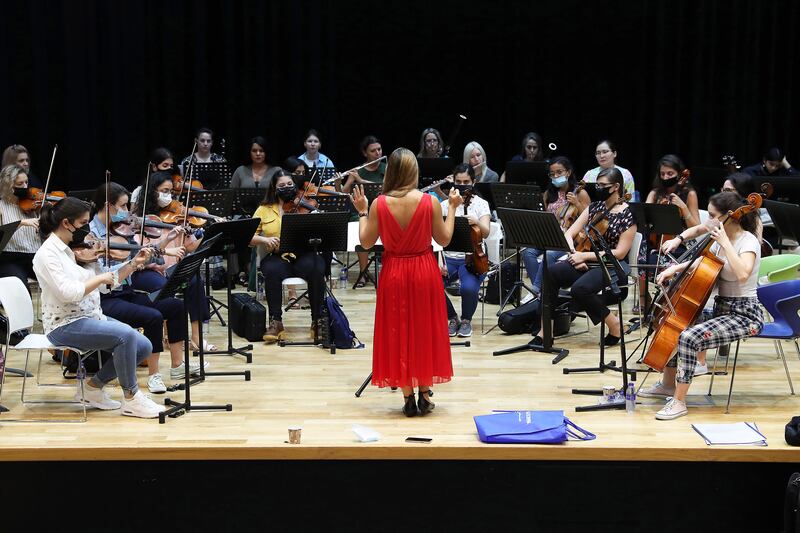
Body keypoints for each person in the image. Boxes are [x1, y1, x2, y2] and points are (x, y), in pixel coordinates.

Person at [351, 147, 462, 416]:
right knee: (424, 329)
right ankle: (425, 394)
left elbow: (365, 242)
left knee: (397, 330)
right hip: (424, 270)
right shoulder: (429, 201)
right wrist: (452, 208)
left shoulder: (379, 203)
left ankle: (408, 398)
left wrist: (363, 211)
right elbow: (444, 239)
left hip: (394, 271)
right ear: (413, 171)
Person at [32, 196, 164, 418]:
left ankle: (92, 389)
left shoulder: (75, 251)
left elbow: (106, 286)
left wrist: (133, 264)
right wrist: (100, 277)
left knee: (143, 345)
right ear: (67, 223)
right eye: (83, 224)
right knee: (125, 335)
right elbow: (69, 293)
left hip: (91, 316)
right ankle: (132, 398)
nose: (88, 232)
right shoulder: (47, 255)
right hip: (64, 325)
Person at [640, 191, 763, 420]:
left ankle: (679, 402)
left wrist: (725, 243)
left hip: (746, 315)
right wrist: (673, 269)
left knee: (689, 337)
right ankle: (668, 384)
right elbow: (704, 262)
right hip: (722, 309)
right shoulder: (718, 239)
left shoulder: (748, 241)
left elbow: (743, 273)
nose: (709, 222)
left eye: (713, 216)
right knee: (677, 321)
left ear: (729, 216)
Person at [88, 182, 203, 394]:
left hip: (126, 293)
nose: (126, 212)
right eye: (122, 207)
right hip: (104, 299)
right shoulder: (90, 234)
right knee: (153, 316)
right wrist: (132, 263)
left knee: (175, 306)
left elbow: (141, 251)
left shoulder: (119, 230)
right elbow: (103, 274)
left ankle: (177, 366)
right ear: (107, 205)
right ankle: (153, 375)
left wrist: (165, 241)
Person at [534, 167, 637, 346]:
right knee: (550, 272)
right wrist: (574, 254)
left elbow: (620, 252)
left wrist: (585, 256)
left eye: (603, 185)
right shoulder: (594, 207)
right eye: (597, 184)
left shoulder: (628, 215)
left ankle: (614, 325)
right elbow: (569, 234)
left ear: (616, 187)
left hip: (611, 266)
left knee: (579, 289)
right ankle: (546, 331)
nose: (598, 188)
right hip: (586, 259)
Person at [131, 171, 217, 353]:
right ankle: (174, 338)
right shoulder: (141, 218)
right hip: (147, 270)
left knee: (195, 282)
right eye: (164, 191)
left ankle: (197, 338)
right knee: (166, 287)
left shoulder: (177, 215)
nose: (168, 196)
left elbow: (190, 247)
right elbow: (139, 253)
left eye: (170, 192)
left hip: (171, 269)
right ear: (152, 192)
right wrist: (167, 248)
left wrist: (203, 233)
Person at [250, 169, 327, 343]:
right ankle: (276, 321)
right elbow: (248, 236)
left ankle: (317, 320)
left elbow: (320, 232)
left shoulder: (304, 204)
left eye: (290, 184)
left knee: (317, 267)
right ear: (274, 188)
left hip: (303, 254)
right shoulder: (264, 209)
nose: (287, 188)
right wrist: (265, 239)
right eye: (282, 185)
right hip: (278, 255)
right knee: (272, 271)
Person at [521, 156, 590, 296]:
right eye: (552, 174)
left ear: (568, 172)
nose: (556, 176)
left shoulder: (580, 193)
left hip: (569, 238)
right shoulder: (548, 194)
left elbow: (590, 219)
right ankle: (541, 291)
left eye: (559, 172)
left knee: (550, 254)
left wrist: (577, 203)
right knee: (527, 252)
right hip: (549, 235)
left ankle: (536, 290)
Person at [639, 155, 701, 309]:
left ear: (680, 174)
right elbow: (643, 218)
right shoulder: (655, 193)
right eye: (662, 174)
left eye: (670, 174)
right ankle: (643, 298)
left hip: (682, 243)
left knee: (660, 262)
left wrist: (683, 207)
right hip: (657, 242)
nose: (665, 177)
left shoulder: (689, 194)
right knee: (641, 257)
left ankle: (670, 300)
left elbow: (697, 227)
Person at [439, 163, 492, 337]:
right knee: (431, 285)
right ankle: (453, 318)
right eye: (458, 181)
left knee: (468, 289)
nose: (462, 185)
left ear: (473, 182)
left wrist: (476, 221)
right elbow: (437, 238)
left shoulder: (481, 204)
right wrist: (440, 261)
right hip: (448, 257)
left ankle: (466, 320)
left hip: (473, 259)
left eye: (466, 181)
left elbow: (485, 232)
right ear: (453, 181)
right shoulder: (444, 205)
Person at [341, 136, 387, 285]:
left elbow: (386, 188)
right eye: (373, 151)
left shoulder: (386, 168)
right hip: (361, 210)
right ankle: (363, 272)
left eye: (379, 149)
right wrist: (345, 180)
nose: (377, 153)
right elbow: (343, 194)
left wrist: (361, 181)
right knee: (358, 225)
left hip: (382, 208)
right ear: (365, 153)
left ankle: (387, 271)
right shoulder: (359, 170)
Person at [0, 165, 42, 291]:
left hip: (36, 256)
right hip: (11, 259)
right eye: (20, 184)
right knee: (21, 288)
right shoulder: (1, 207)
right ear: (8, 186)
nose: (25, 187)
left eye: (26, 182)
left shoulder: (33, 205)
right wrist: (21, 223)